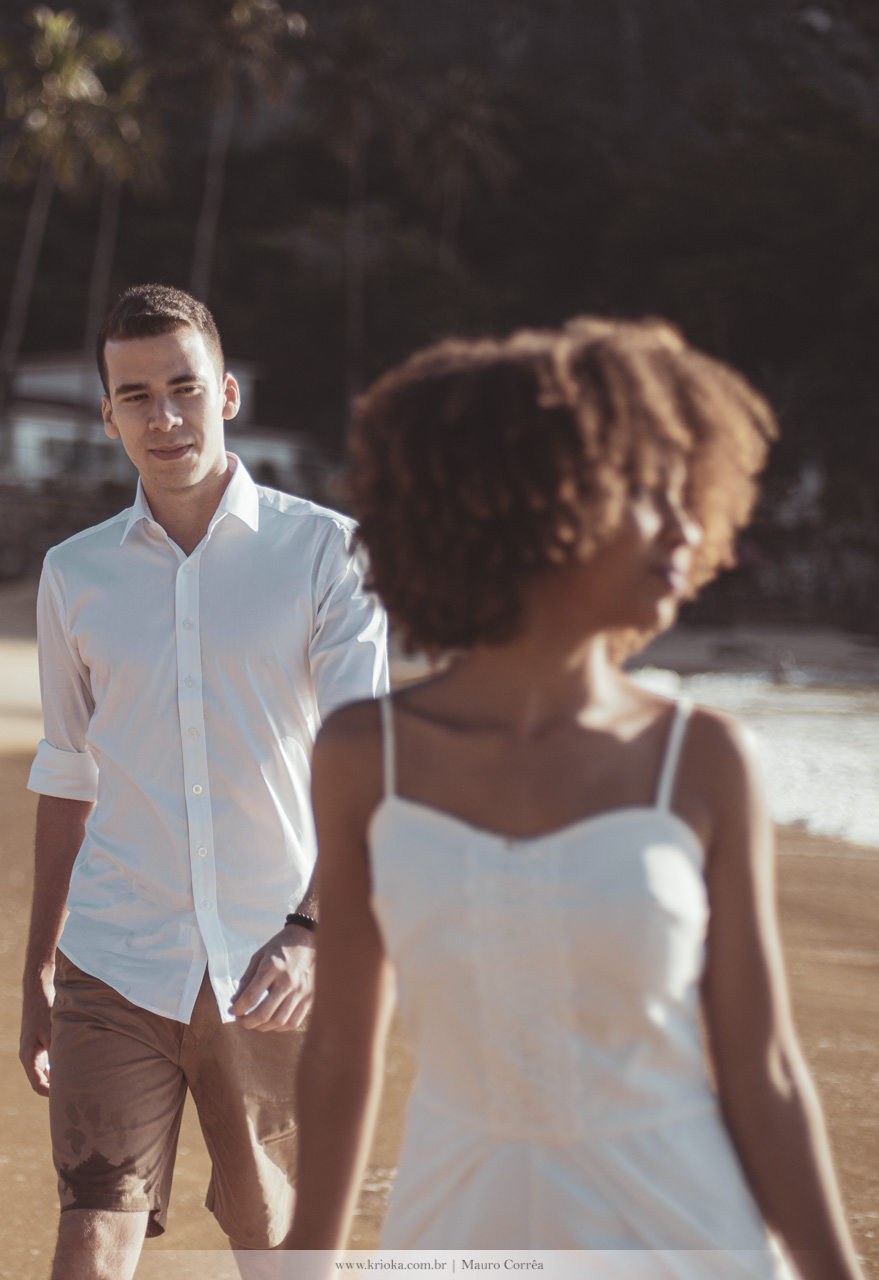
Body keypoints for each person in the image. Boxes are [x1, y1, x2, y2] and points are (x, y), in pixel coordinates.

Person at [289, 318, 864, 1279]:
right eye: (648, 493)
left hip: (684, 1235)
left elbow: (763, 1072)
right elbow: (342, 1049)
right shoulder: (364, 755)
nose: (687, 528)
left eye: (689, 492)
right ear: (538, 504)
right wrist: (303, 1265)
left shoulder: (703, 756)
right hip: (455, 1234)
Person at [18, 283, 388, 1280]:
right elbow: (68, 769)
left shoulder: (328, 550)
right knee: (92, 1235)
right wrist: (39, 962)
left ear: (226, 393)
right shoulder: (75, 574)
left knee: (282, 1253)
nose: (164, 415)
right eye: (135, 395)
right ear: (107, 415)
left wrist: (313, 932)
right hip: (114, 960)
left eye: (183, 387)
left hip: (276, 969)